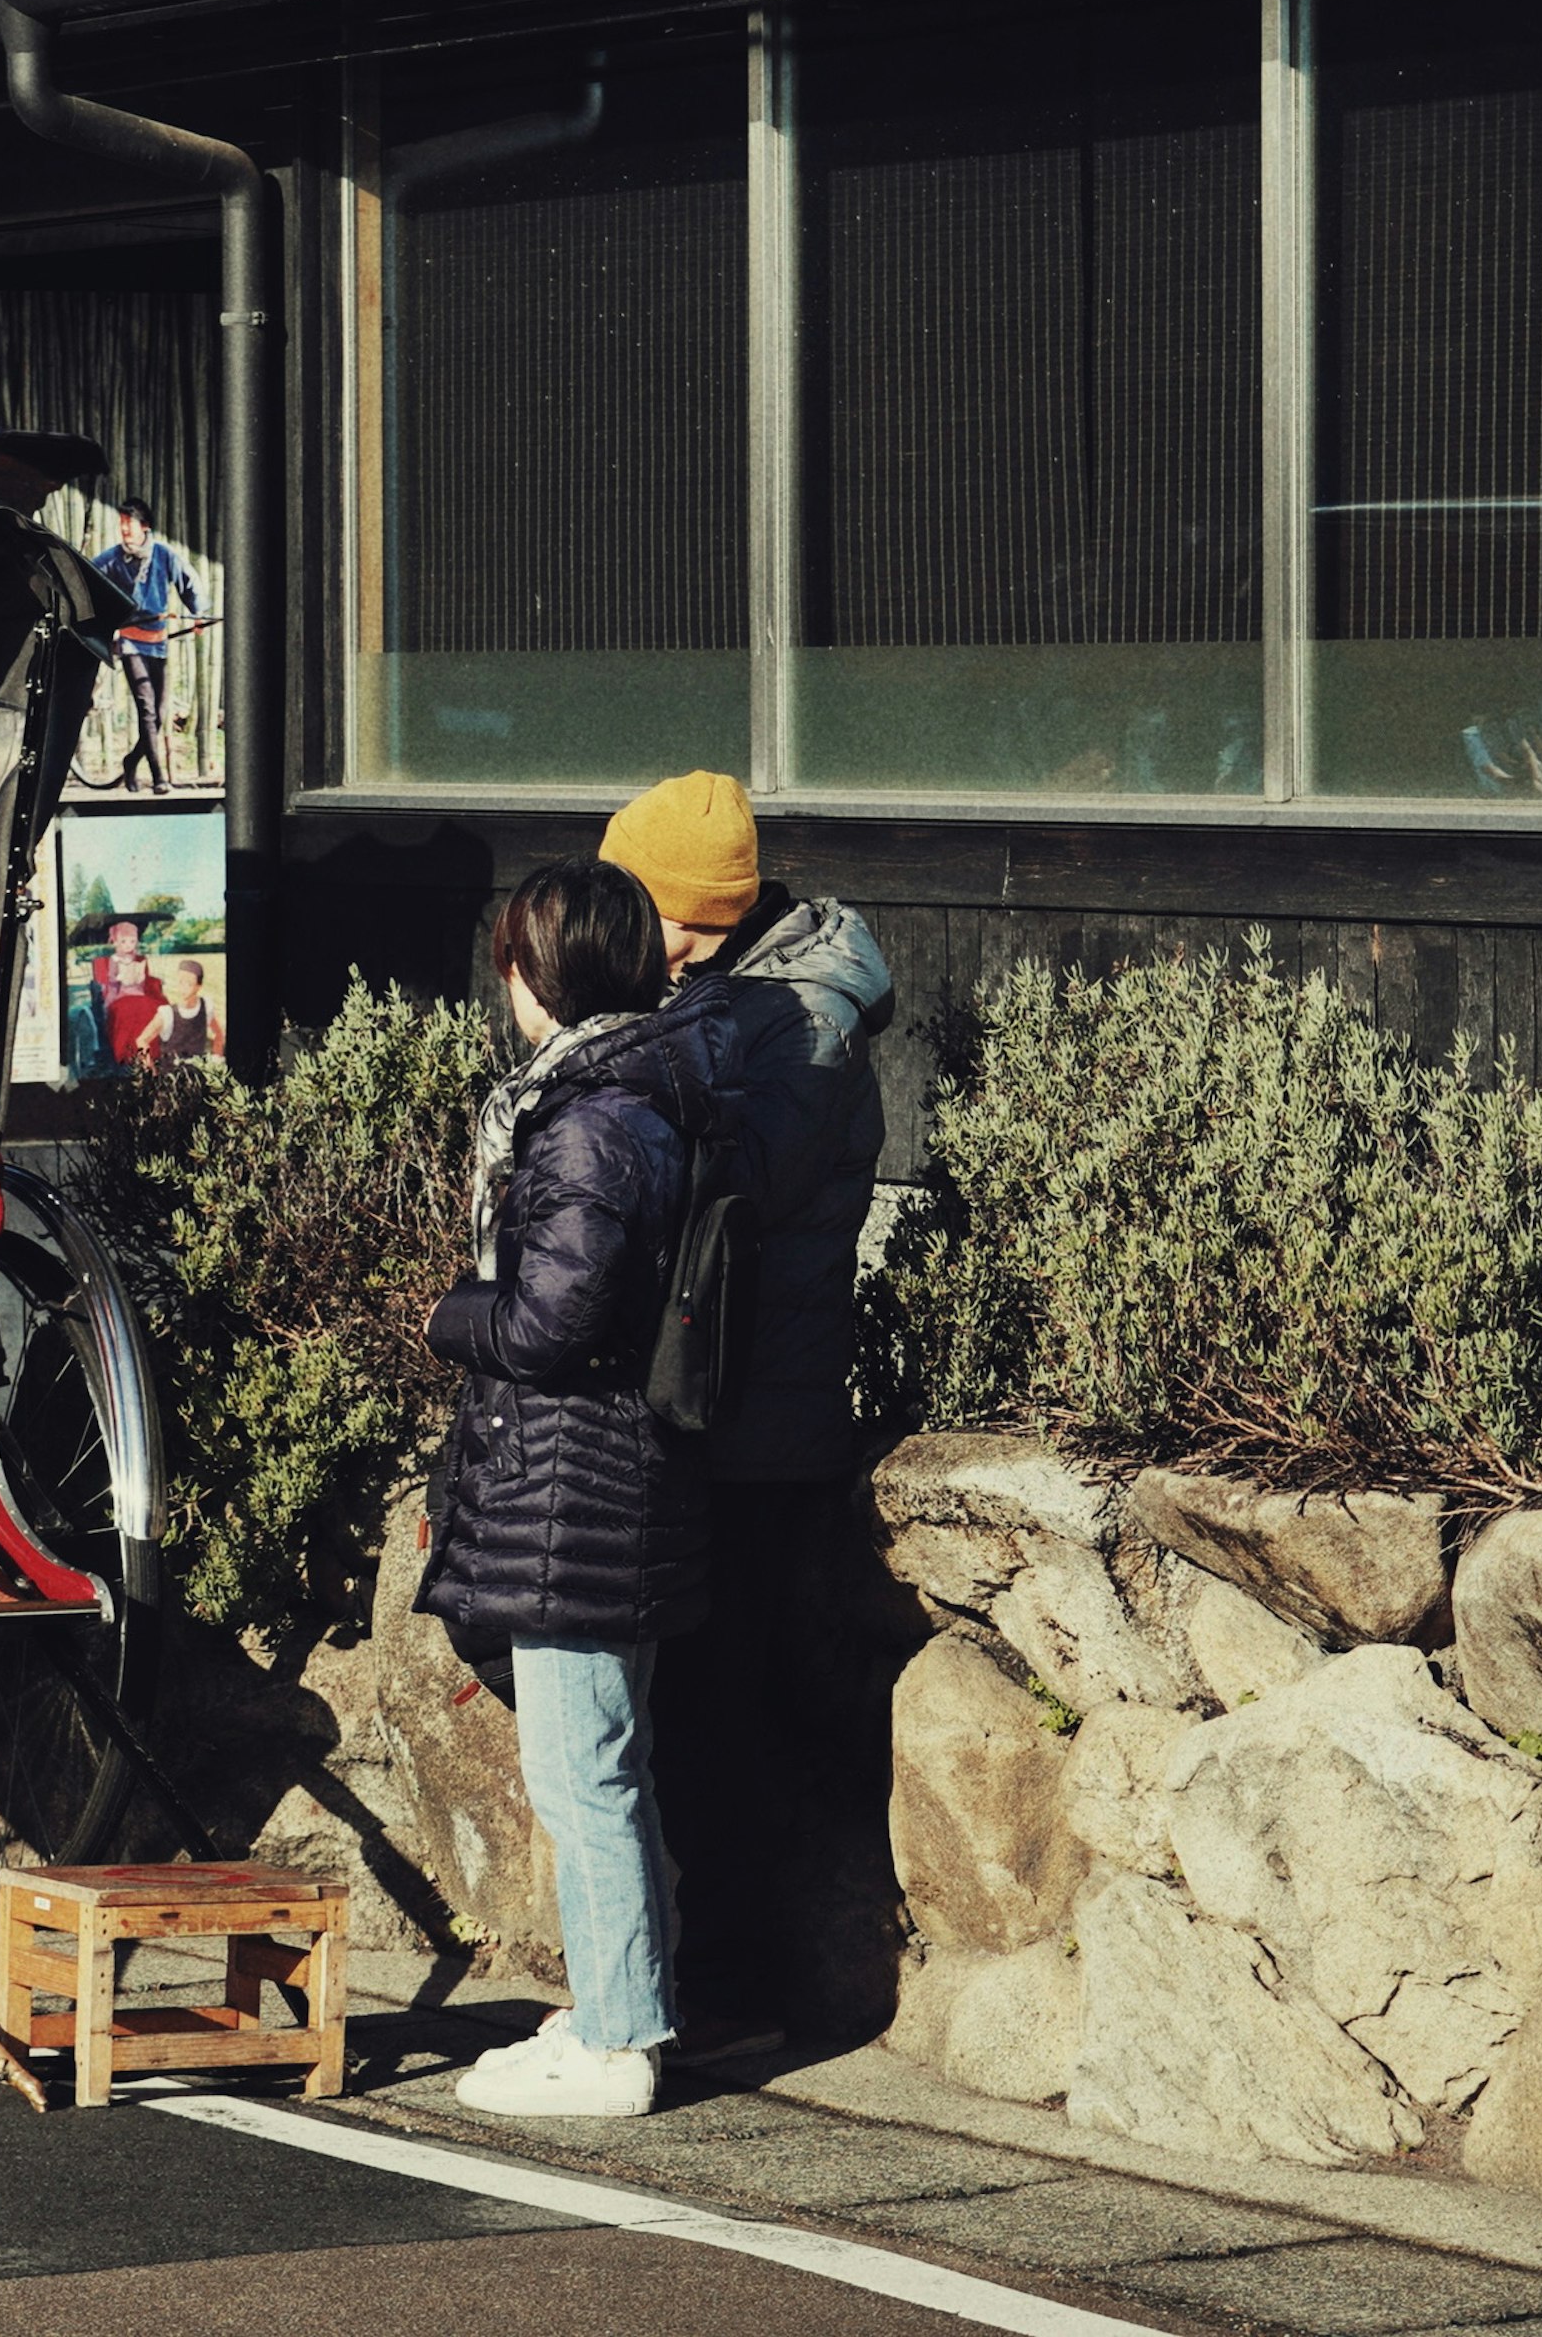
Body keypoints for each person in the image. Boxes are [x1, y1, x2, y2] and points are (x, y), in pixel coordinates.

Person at [422, 856, 738, 2119]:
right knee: (611, 1756)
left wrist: (454, 1314)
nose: (505, 984)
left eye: (514, 959)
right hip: (613, 1474)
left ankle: (616, 2042)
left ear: (539, 972)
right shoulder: (638, 1091)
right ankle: (625, 2003)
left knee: (583, 1770)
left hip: (578, 1479)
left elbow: (553, 1318)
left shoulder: (594, 1117)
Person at [600, 771, 894, 2057]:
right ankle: (695, 1976)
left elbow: (734, 1185)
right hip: (708, 1399)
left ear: (698, 916)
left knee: (718, 1713)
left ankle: (729, 1995)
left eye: (640, 907)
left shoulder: (803, 1020)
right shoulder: (729, 996)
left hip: (755, 1419)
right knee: (685, 1707)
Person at [88, 498, 202, 793]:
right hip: (129, 641)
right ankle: (158, 777)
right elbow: (87, 581)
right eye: (122, 524)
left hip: (158, 641)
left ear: (145, 527)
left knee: (160, 714)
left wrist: (198, 613)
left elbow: (189, 582)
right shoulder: (111, 559)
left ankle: (131, 761)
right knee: (147, 709)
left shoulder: (164, 555)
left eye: (130, 524)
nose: (124, 530)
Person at [136, 957, 223, 1066]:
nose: (183, 988)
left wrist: (216, 1060)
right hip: (171, 1076)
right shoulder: (167, 1014)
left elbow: (218, 1034)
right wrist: (151, 1069)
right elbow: (142, 1040)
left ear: (198, 986)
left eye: (189, 984)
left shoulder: (205, 1007)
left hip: (198, 1072)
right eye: (181, 982)